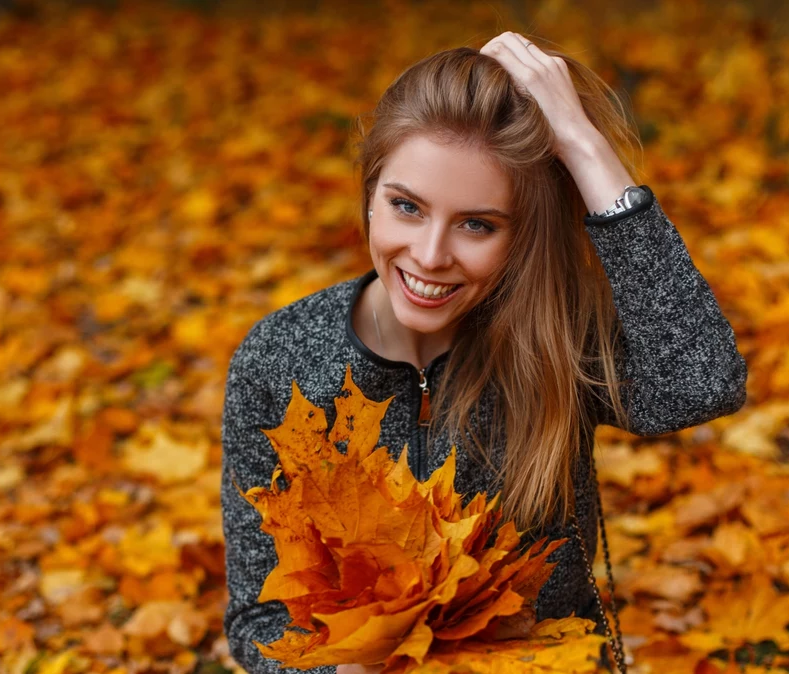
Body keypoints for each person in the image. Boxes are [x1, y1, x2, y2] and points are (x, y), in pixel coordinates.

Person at [220, 32, 748, 674]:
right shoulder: (280, 360)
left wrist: (585, 150)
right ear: (369, 192)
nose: (431, 255)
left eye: (478, 224)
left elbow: (703, 382)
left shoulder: (554, 338)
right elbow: (258, 617)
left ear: (522, 233)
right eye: (406, 207)